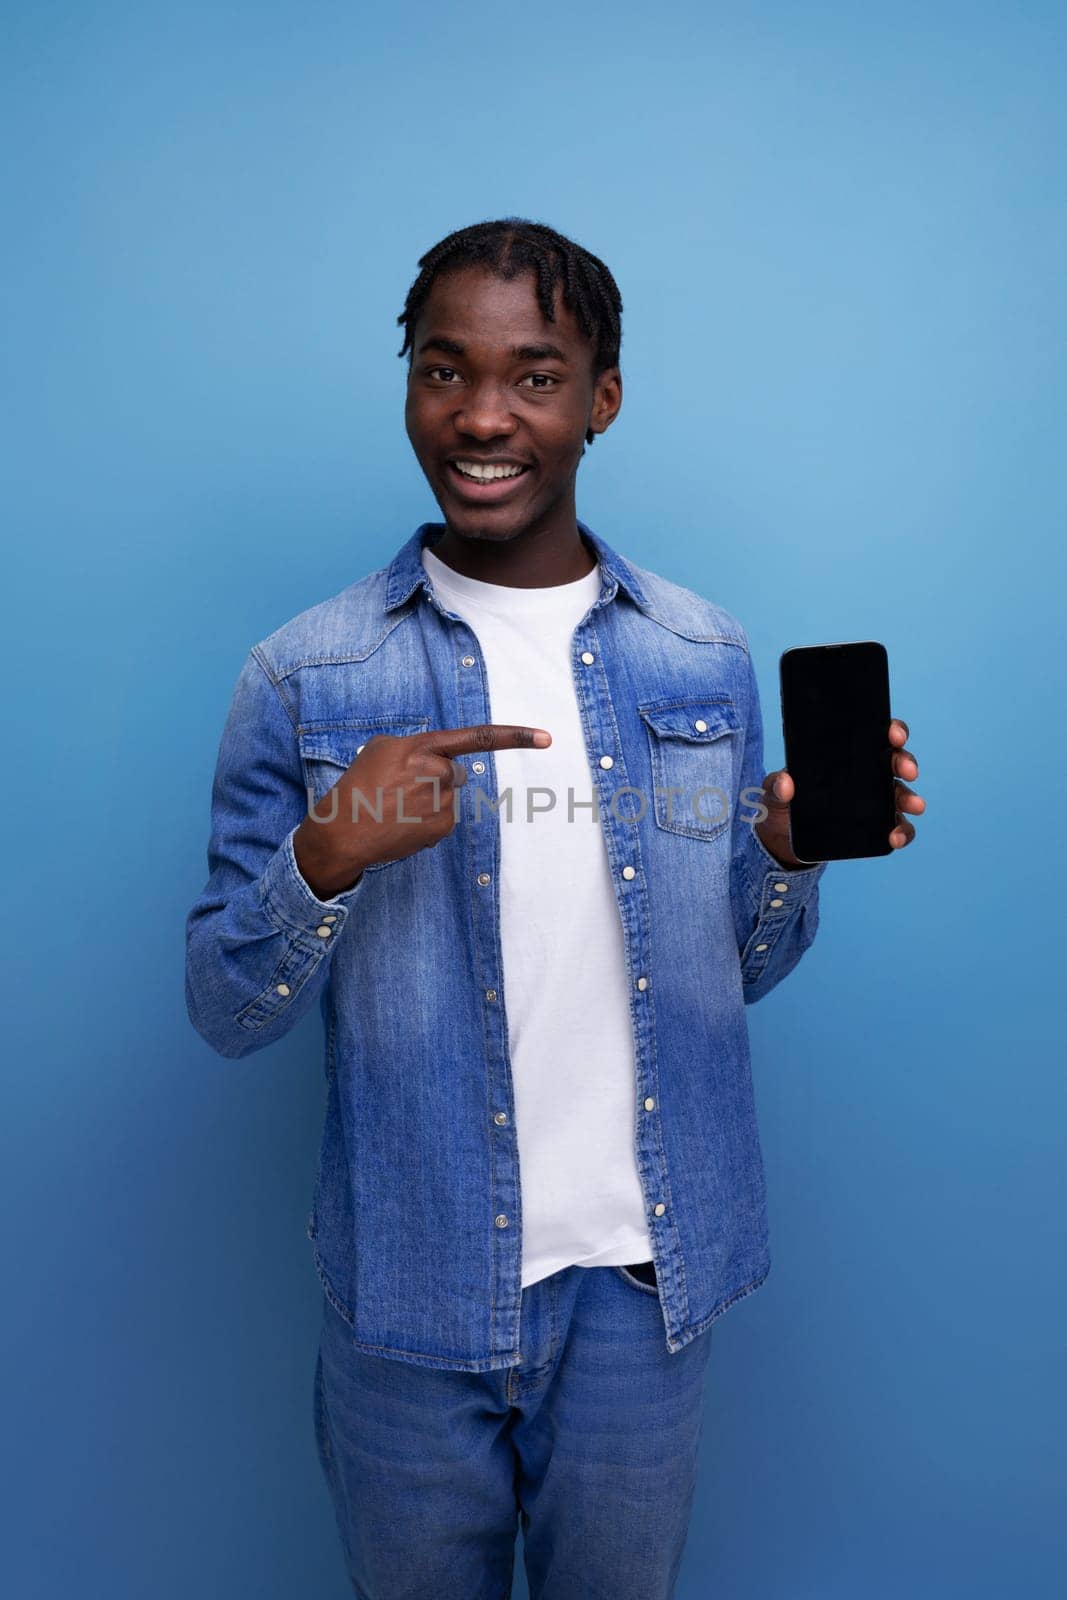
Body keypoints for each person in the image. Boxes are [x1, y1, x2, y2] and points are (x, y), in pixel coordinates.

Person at [184, 217, 925, 1599]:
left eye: (534, 375)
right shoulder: (306, 677)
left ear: (602, 400)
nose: (481, 415)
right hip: (410, 1289)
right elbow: (223, 1007)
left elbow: (733, 971)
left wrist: (785, 853)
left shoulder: (697, 652)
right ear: (408, 383)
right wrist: (327, 857)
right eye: (442, 370)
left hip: (645, 1292)